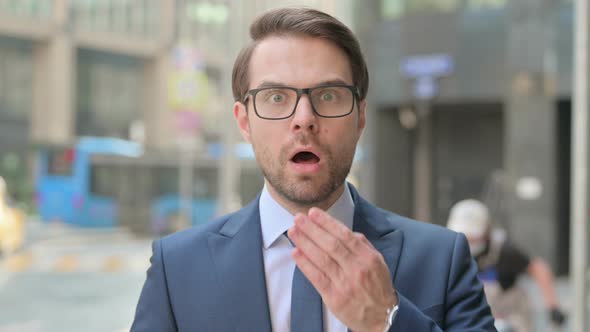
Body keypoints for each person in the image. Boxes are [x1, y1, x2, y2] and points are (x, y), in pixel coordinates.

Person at [131, 7, 495, 332]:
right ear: (244, 122)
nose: (304, 120)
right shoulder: (177, 268)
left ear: (361, 117)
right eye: (276, 98)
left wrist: (385, 321)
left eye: (328, 96)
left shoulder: (442, 259)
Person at [447, 199, 566, 332]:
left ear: (486, 230)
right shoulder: (451, 252)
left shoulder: (504, 250)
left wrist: (553, 306)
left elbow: (539, 269)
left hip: (512, 316)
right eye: (464, 237)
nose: (469, 242)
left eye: (473, 237)